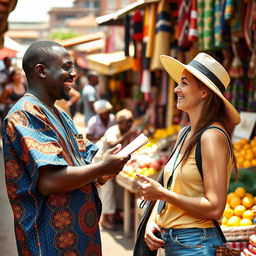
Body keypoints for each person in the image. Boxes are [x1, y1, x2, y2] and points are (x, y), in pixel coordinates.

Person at [2, 40, 130, 256]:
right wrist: (100, 168)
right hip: (49, 243)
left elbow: (83, 160)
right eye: (66, 67)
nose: (74, 74)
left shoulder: (59, 113)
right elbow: (50, 181)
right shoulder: (24, 115)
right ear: (41, 71)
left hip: (79, 240)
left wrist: (103, 166)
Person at [136, 53, 241, 256]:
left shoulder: (212, 136)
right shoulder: (185, 133)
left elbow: (215, 207)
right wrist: (153, 221)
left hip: (197, 244)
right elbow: (171, 185)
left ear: (204, 92)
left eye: (183, 83)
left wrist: (162, 194)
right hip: (175, 242)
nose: (176, 89)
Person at [95, 109, 139, 230]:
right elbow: (112, 143)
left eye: (131, 121)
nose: (130, 124)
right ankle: (105, 219)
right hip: (101, 162)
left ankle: (116, 215)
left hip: (112, 164)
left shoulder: (125, 131)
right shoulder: (113, 130)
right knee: (107, 191)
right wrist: (129, 133)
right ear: (120, 123)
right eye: (127, 122)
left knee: (117, 189)